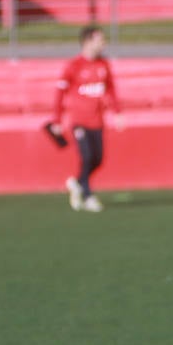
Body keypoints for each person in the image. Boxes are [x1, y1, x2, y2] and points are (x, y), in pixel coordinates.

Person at [48, 25, 120, 212]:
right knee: (87, 156)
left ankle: (77, 183)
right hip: (79, 121)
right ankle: (88, 196)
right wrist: (56, 120)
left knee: (98, 159)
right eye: (100, 40)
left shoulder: (103, 65)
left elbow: (111, 89)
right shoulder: (74, 66)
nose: (103, 44)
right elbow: (59, 93)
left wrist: (117, 112)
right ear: (88, 41)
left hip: (97, 120)